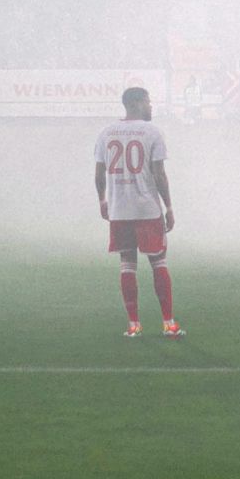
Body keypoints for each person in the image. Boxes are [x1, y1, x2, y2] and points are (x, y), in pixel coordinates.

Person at [94, 85, 181, 339]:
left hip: (120, 209)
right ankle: (169, 324)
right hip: (146, 208)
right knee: (158, 262)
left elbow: (99, 174)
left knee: (127, 264)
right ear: (136, 103)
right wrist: (169, 207)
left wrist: (102, 201)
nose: (151, 106)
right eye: (148, 101)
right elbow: (159, 174)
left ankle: (133, 325)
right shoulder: (152, 131)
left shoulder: (106, 133)